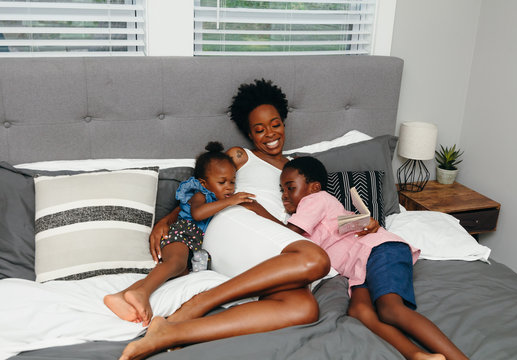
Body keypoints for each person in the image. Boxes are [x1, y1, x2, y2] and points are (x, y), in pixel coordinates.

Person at [120, 79, 352, 360]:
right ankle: (199, 303)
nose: (270, 133)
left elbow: (323, 212)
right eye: (259, 129)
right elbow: (201, 187)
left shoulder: (298, 167)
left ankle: (170, 332)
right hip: (236, 222)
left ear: (284, 122)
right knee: (316, 259)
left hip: (276, 242)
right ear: (250, 135)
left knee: (303, 309)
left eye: (275, 124)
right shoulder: (242, 157)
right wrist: (166, 220)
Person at [276, 156, 468, 360]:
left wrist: (257, 211)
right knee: (359, 311)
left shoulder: (316, 199)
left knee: (390, 309)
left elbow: (288, 233)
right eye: (281, 191)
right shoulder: (314, 216)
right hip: (359, 267)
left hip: (379, 250)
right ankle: (418, 355)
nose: (284, 196)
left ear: (314, 187)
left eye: (290, 188)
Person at [104, 141, 255, 326]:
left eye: (232, 182)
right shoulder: (201, 194)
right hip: (182, 233)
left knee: (176, 271)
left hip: (191, 241)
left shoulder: (215, 196)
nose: (229, 187)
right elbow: (197, 213)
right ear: (204, 183)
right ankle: (141, 294)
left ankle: (121, 295)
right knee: (175, 263)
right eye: (222, 182)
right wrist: (230, 202)